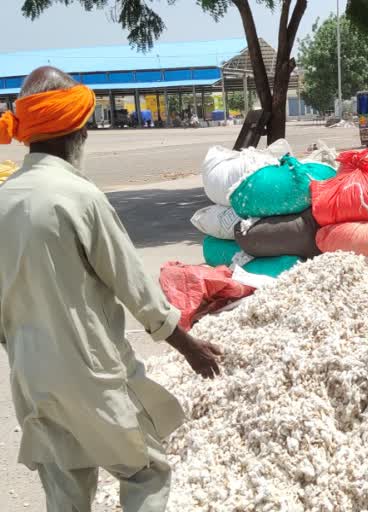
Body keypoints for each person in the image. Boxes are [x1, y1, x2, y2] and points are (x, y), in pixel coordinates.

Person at [0, 66, 223, 511]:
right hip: (91, 374)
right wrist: (189, 347)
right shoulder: (78, 196)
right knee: (146, 470)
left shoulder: (5, 198)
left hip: (31, 376)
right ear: (76, 128)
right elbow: (135, 287)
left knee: (66, 488)